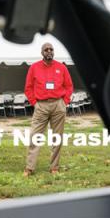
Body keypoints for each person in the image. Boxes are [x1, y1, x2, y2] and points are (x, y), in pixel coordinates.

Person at [23, 42, 73, 176]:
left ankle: (54, 167)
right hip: (41, 105)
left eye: (51, 49)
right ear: (42, 52)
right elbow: (28, 88)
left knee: (57, 137)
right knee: (35, 136)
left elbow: (69, 86)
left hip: (58, 104)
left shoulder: (61, 67)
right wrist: (35, 103)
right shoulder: (34, 67)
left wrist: (65, 102)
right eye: (46, 50)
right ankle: (29, 168)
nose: (49, 51)